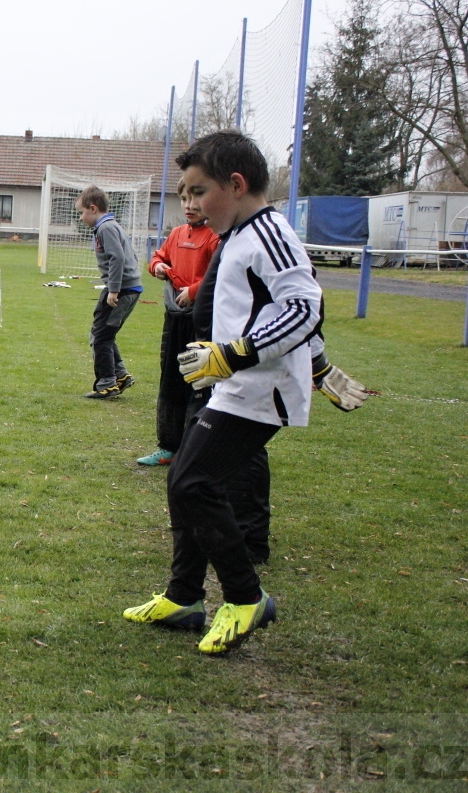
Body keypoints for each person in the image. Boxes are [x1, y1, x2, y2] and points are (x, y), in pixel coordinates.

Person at [122, 130, 323, 655]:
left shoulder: (270, 233)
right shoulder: (238, 233)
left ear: (235, 184)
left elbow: (304, 307)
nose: (191, 204)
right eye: (184, 193)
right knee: (182, 483)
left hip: (256, 390)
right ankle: (185, 596)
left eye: (198, 191)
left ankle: (246, 596)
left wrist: (232, 355)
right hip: (224, 384)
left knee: (193, 484)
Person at [138, 181, 217, 466]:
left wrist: (193, 292)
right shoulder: (177, 234)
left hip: (202, 321)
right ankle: (168, 447)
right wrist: (157, 266)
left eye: (196, 198)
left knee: (199, 383)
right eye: (184, 199)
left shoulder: (215, 237)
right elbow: (159, 256)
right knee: (169, 380)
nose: (189, 205)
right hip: (173, 319)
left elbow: (218, 277)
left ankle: (194, 449)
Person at [78, 186, 143, 399]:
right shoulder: (110, 226)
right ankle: (120, 376)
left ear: (93, 208)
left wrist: (114, 290)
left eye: (82, 212)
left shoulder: (105, 228)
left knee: (100, 337)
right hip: (125, 287)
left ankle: (107, 384)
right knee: (105, 334)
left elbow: (118, 258)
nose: (81, 217)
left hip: (122, 289)